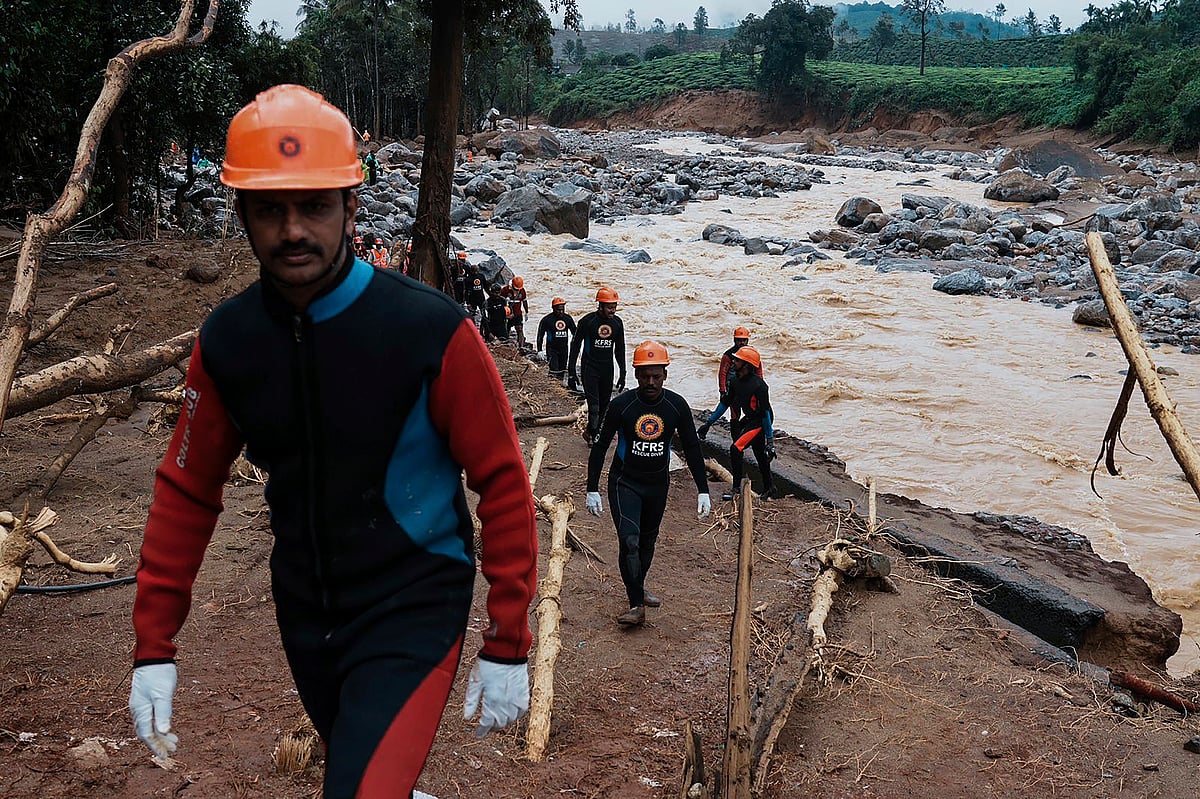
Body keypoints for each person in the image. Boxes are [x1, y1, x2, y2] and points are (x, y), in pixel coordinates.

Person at [127, 85, 537, 799]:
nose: (293, 229)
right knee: (360, 766)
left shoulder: (429, 332)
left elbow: (502, 482)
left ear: (352, 206)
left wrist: (508, 640)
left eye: (315, 204)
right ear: (242, 212)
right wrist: (153, 646)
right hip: (307, 613)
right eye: (269, 208)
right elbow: (187, 490)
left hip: (415, 599)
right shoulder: (228, 343)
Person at [585, 341, 711, 626]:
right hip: (624, 482)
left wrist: (703, 489)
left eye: (656, 376)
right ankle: (636, 605)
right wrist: (592, 488)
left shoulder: (676, 405)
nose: (651, 382)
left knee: (647, 542)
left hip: (657, 484)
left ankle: (638, 588)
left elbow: (692, 447)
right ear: (636, 375)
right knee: (629, 540)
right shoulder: (622, 405)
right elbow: (600, 445)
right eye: (645, 376)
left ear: (665, 374)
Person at [698, 345, 776, 501]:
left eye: (738, 360)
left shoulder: (760, 386)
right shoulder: (734, 381)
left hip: (761, 421)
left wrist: (770, 440)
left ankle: (736, 489)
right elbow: (725, 403)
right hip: (750, 419)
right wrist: (708, 423)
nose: (734, 361)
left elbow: (766, 413)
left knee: (736, 448)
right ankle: (769, 488)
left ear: (746, 364)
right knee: (760, 455)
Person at [568, 287, 626, 445]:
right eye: (609, 307)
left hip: (607, 369)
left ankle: (591, 431)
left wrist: (623, 373)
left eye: (614, 307)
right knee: (594, 407)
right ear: (600, 306)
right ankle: (594, 436)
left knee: (604, 406)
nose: (612, 310)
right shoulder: (587, 322)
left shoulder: (617, 323)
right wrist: (572, 371)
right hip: (590, 368)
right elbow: (575, 346)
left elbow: (620, 349)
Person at [717, 326, 763, 436]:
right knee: (735, 414)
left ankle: (748, 435)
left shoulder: (753, 354)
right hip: (733, 389)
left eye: (744, 340)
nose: (741, 342)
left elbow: (759, 371)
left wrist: (761, 388)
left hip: (750, 389)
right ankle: (736, 438)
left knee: (753, 412)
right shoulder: (728, 355)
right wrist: (722, 391)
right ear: (734, 340)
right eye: (739, 340)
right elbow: (723, 373)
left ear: (747, 340)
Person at [536, 297, 576, 383]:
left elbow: (575, 333)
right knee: (554, 369)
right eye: (558, 310)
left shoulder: (568, 318)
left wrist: (575, 347)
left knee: (562, 370)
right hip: (552, 349)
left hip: (564, 348)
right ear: (553, 308)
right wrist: (539, 350)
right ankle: (553, 385)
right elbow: (540, 335)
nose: (561, 312)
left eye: (562, 309)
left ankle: (560, 387)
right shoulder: (547, 320)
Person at [505, 276, 529, 350]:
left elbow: (524, 302)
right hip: (508, 314)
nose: (517, 290)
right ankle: (505, 344)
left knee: (520, 329)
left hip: (518, 314)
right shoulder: (506, 290)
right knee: (506, 329)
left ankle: (521, 347)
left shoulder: (522, 291)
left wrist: (526, 312)